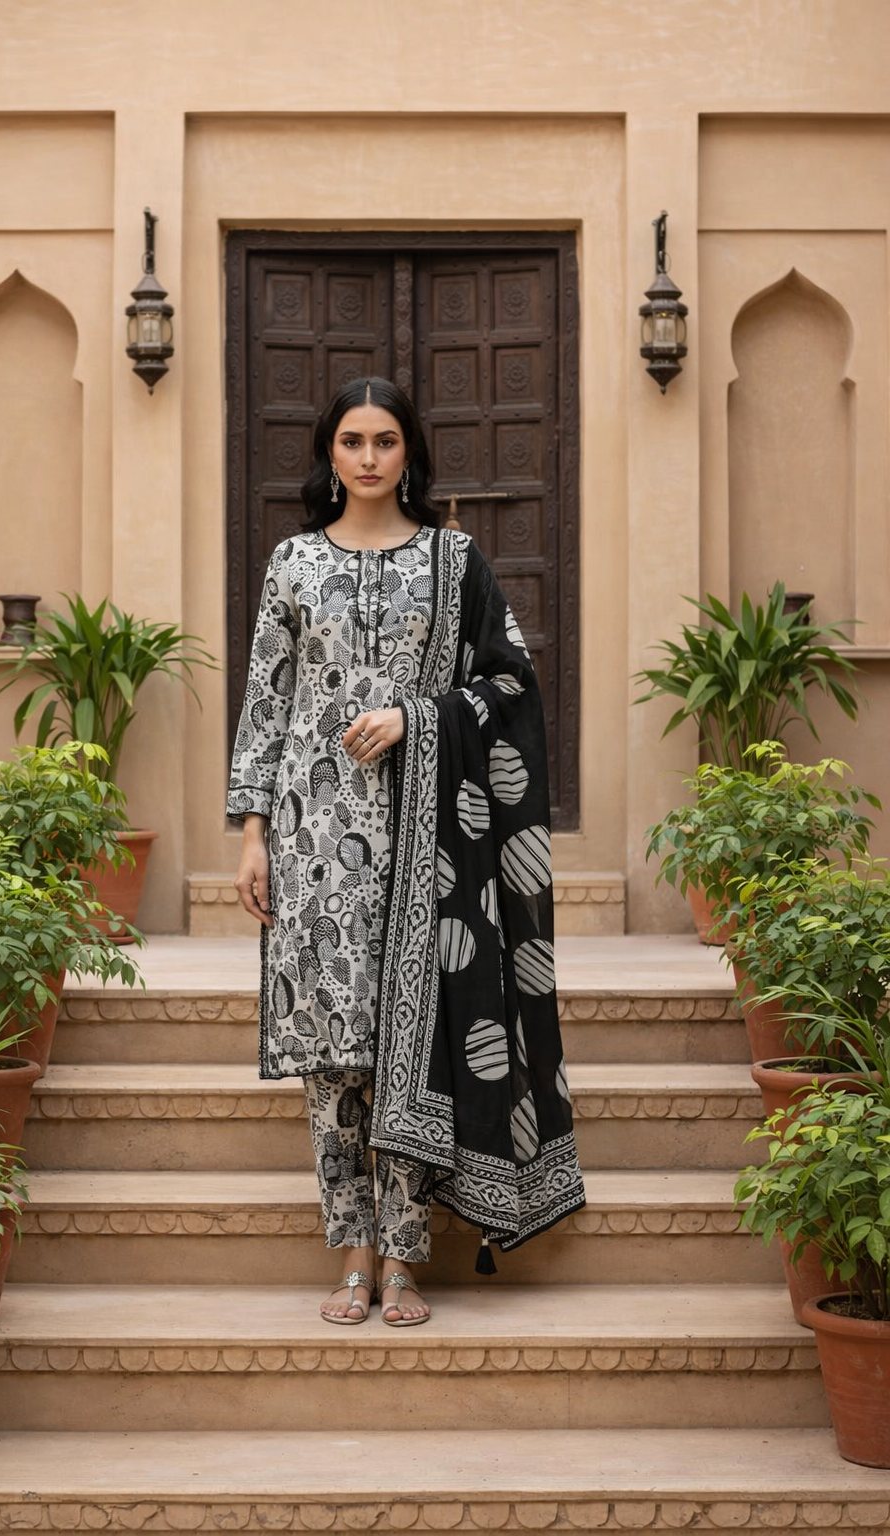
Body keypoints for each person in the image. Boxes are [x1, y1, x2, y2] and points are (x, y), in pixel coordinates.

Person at [228, 376, 585, 1328]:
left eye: (386, 441)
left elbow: (511, 680)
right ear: (330, 455)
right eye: (353, 441)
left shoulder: (454, 559)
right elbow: (267, 700)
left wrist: (417, 716)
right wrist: (253, 833)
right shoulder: (294, 562)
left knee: (409, 1046)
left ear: (409, 454)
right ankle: (347, 1250)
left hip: (428, 845)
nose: (371, 457)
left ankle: (401, 1258)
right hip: (309, 835)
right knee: (334, 1055)